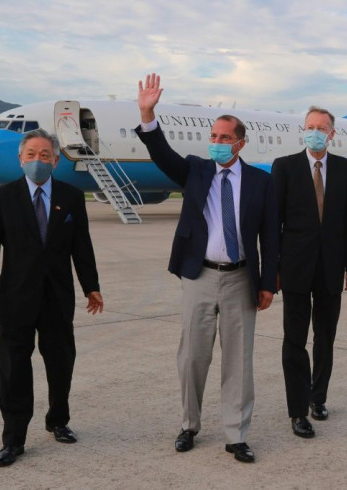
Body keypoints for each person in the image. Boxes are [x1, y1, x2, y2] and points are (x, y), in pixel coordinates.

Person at [135, 73, 278, 463]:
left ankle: (236, 434)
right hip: (199, 276)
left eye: (224, 138)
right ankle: (189, 425)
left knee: (239, 360)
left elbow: (271, 237)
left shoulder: (260, 183)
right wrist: (148, 114)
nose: (216, 143)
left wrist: (268, 284)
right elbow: (162, 154)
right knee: (193, 356)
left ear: (240, 143)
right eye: (213, 137)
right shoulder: (196, 171)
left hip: (242, 277)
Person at [0, 128, 104, 467]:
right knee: (13, 369)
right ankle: (13, 439)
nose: (38, 161)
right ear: (20, 159)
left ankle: (58, 420)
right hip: (16, 298)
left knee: (61, 363)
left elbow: (81, 247)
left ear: (56, 161)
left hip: (57, 297)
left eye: (45, 155)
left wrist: (91, 286)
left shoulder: (72, 197)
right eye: (31, 155)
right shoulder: (2, 197)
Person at [272, 107, 347, 439]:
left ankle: (318, 397)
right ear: (303, 131)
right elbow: (273, 224)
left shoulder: (345, 169)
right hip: (294, 269)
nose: (315, 132)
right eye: (310, 127)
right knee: (294, 340)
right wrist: (274, 269)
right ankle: (297, 411)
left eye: (321, 128)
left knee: (325, 337)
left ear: (332, 134)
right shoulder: (285, 167)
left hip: (331, 269)